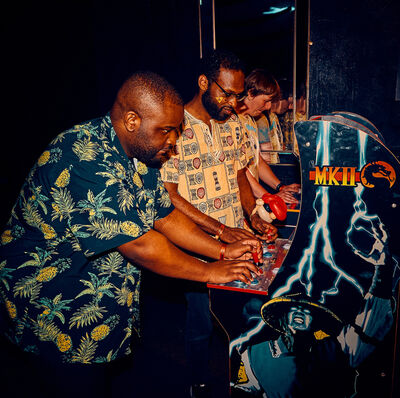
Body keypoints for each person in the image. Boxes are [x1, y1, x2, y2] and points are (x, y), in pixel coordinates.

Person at [0, 71, 263, 398]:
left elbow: (165, 218)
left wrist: (222, 250)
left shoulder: (142, 156)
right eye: (166, 131)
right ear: (132, 120)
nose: (173, 141)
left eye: (177, 130)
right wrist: (210, 271)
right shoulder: (82, 156)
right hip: (53, 316)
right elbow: (140, 245)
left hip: (100, 311)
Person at [160, 50, 278, 397]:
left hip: (237, 238)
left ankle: (245, 379)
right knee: (201, 319)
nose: (232, 102)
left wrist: (253, 215)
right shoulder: (175, 126)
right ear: (203, 83)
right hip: (197, 243)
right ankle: (198, 383)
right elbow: (168, 195)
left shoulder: (236, 125)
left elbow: (242, 174)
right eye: (225, 93)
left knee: (241, 315)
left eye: (238, 95)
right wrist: (219, 229)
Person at [229, 255, 395, 398]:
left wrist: (383, 269)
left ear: (316, 322)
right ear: (282, 318)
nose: (300, 311)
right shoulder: (254, 354)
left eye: (306, 310)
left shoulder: (336, 348)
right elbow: (244, 392)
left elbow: (371, 322)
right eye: (294, 308)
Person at [237, 69, 300, 205]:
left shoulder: (250, 120)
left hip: (252, 197)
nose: (268, 107)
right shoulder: (233, 121)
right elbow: (241, 171)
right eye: (266, 101)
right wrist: (269, 197)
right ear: (251, 93)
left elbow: (257, 160)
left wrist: (280, 187)